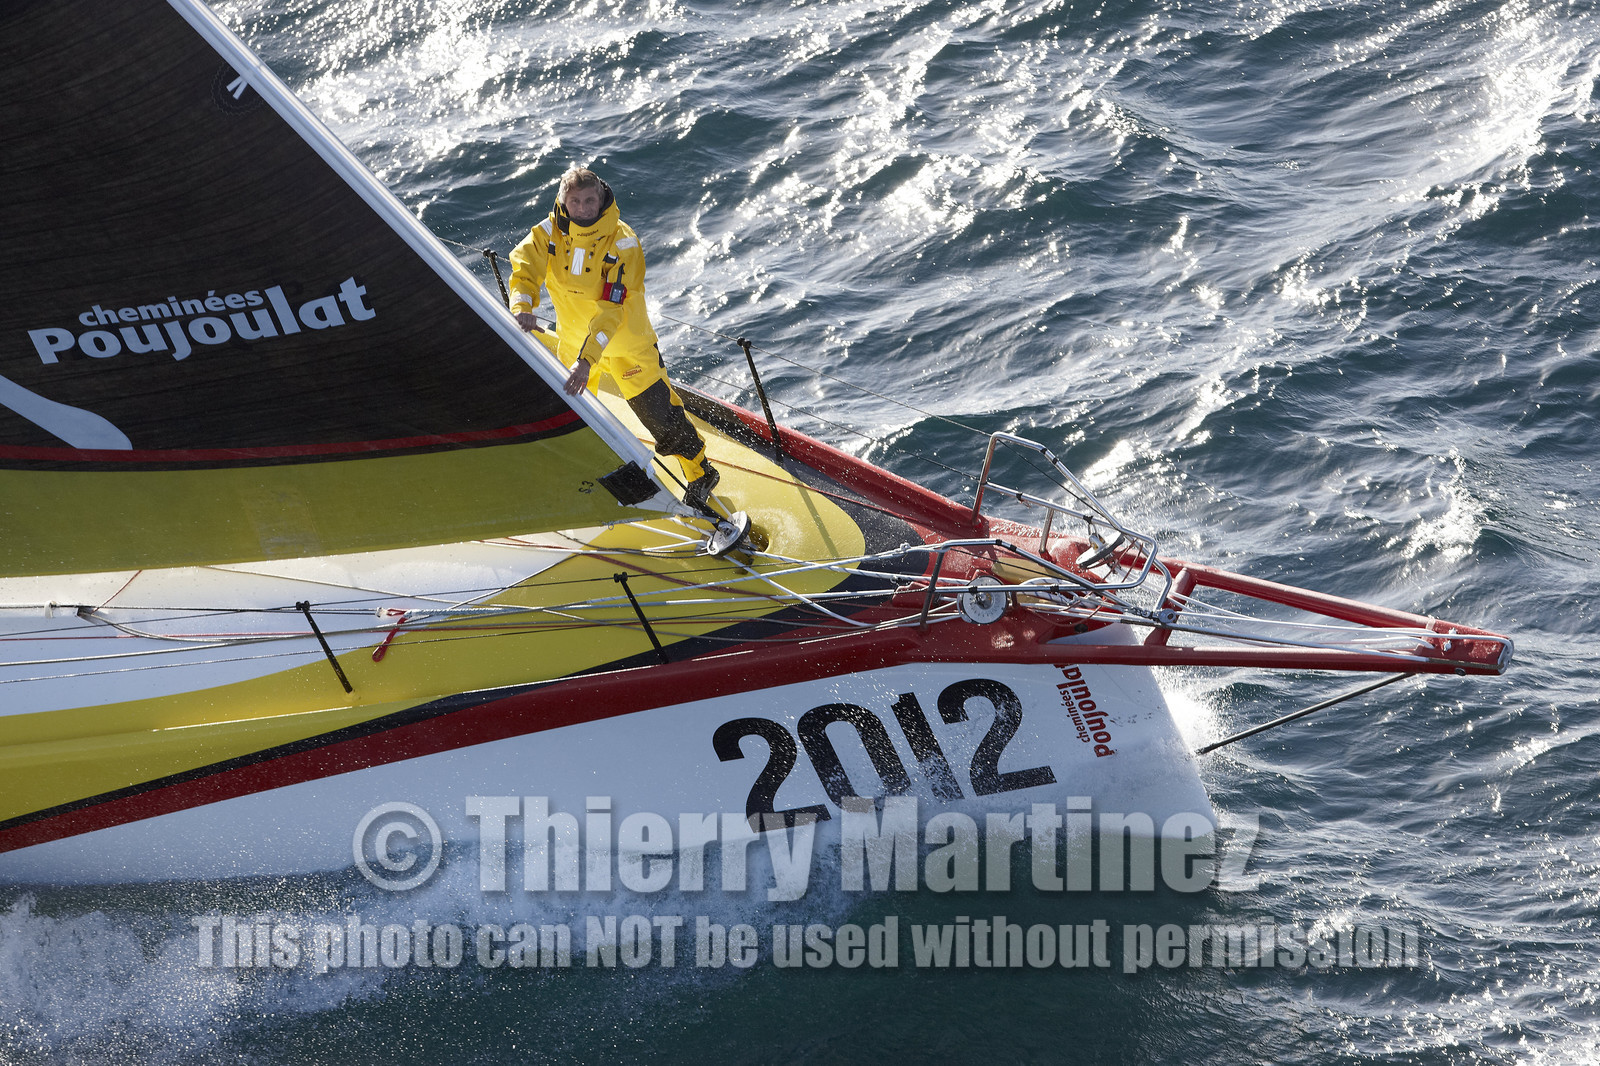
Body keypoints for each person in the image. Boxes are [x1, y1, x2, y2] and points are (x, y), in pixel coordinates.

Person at [509, 167, 720, 512]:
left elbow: (611, 308)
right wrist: (521, 306)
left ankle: (701, 473)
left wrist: (587, 359)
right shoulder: (548, 233)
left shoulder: (623, 243)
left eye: (589, 200)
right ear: (563, 201)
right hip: (574, 345)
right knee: (571, 417)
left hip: (626, 347)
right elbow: (524, 270)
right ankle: (583, 476)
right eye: (574, 201)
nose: (582, 208)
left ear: (601, 198)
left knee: (659, 415)